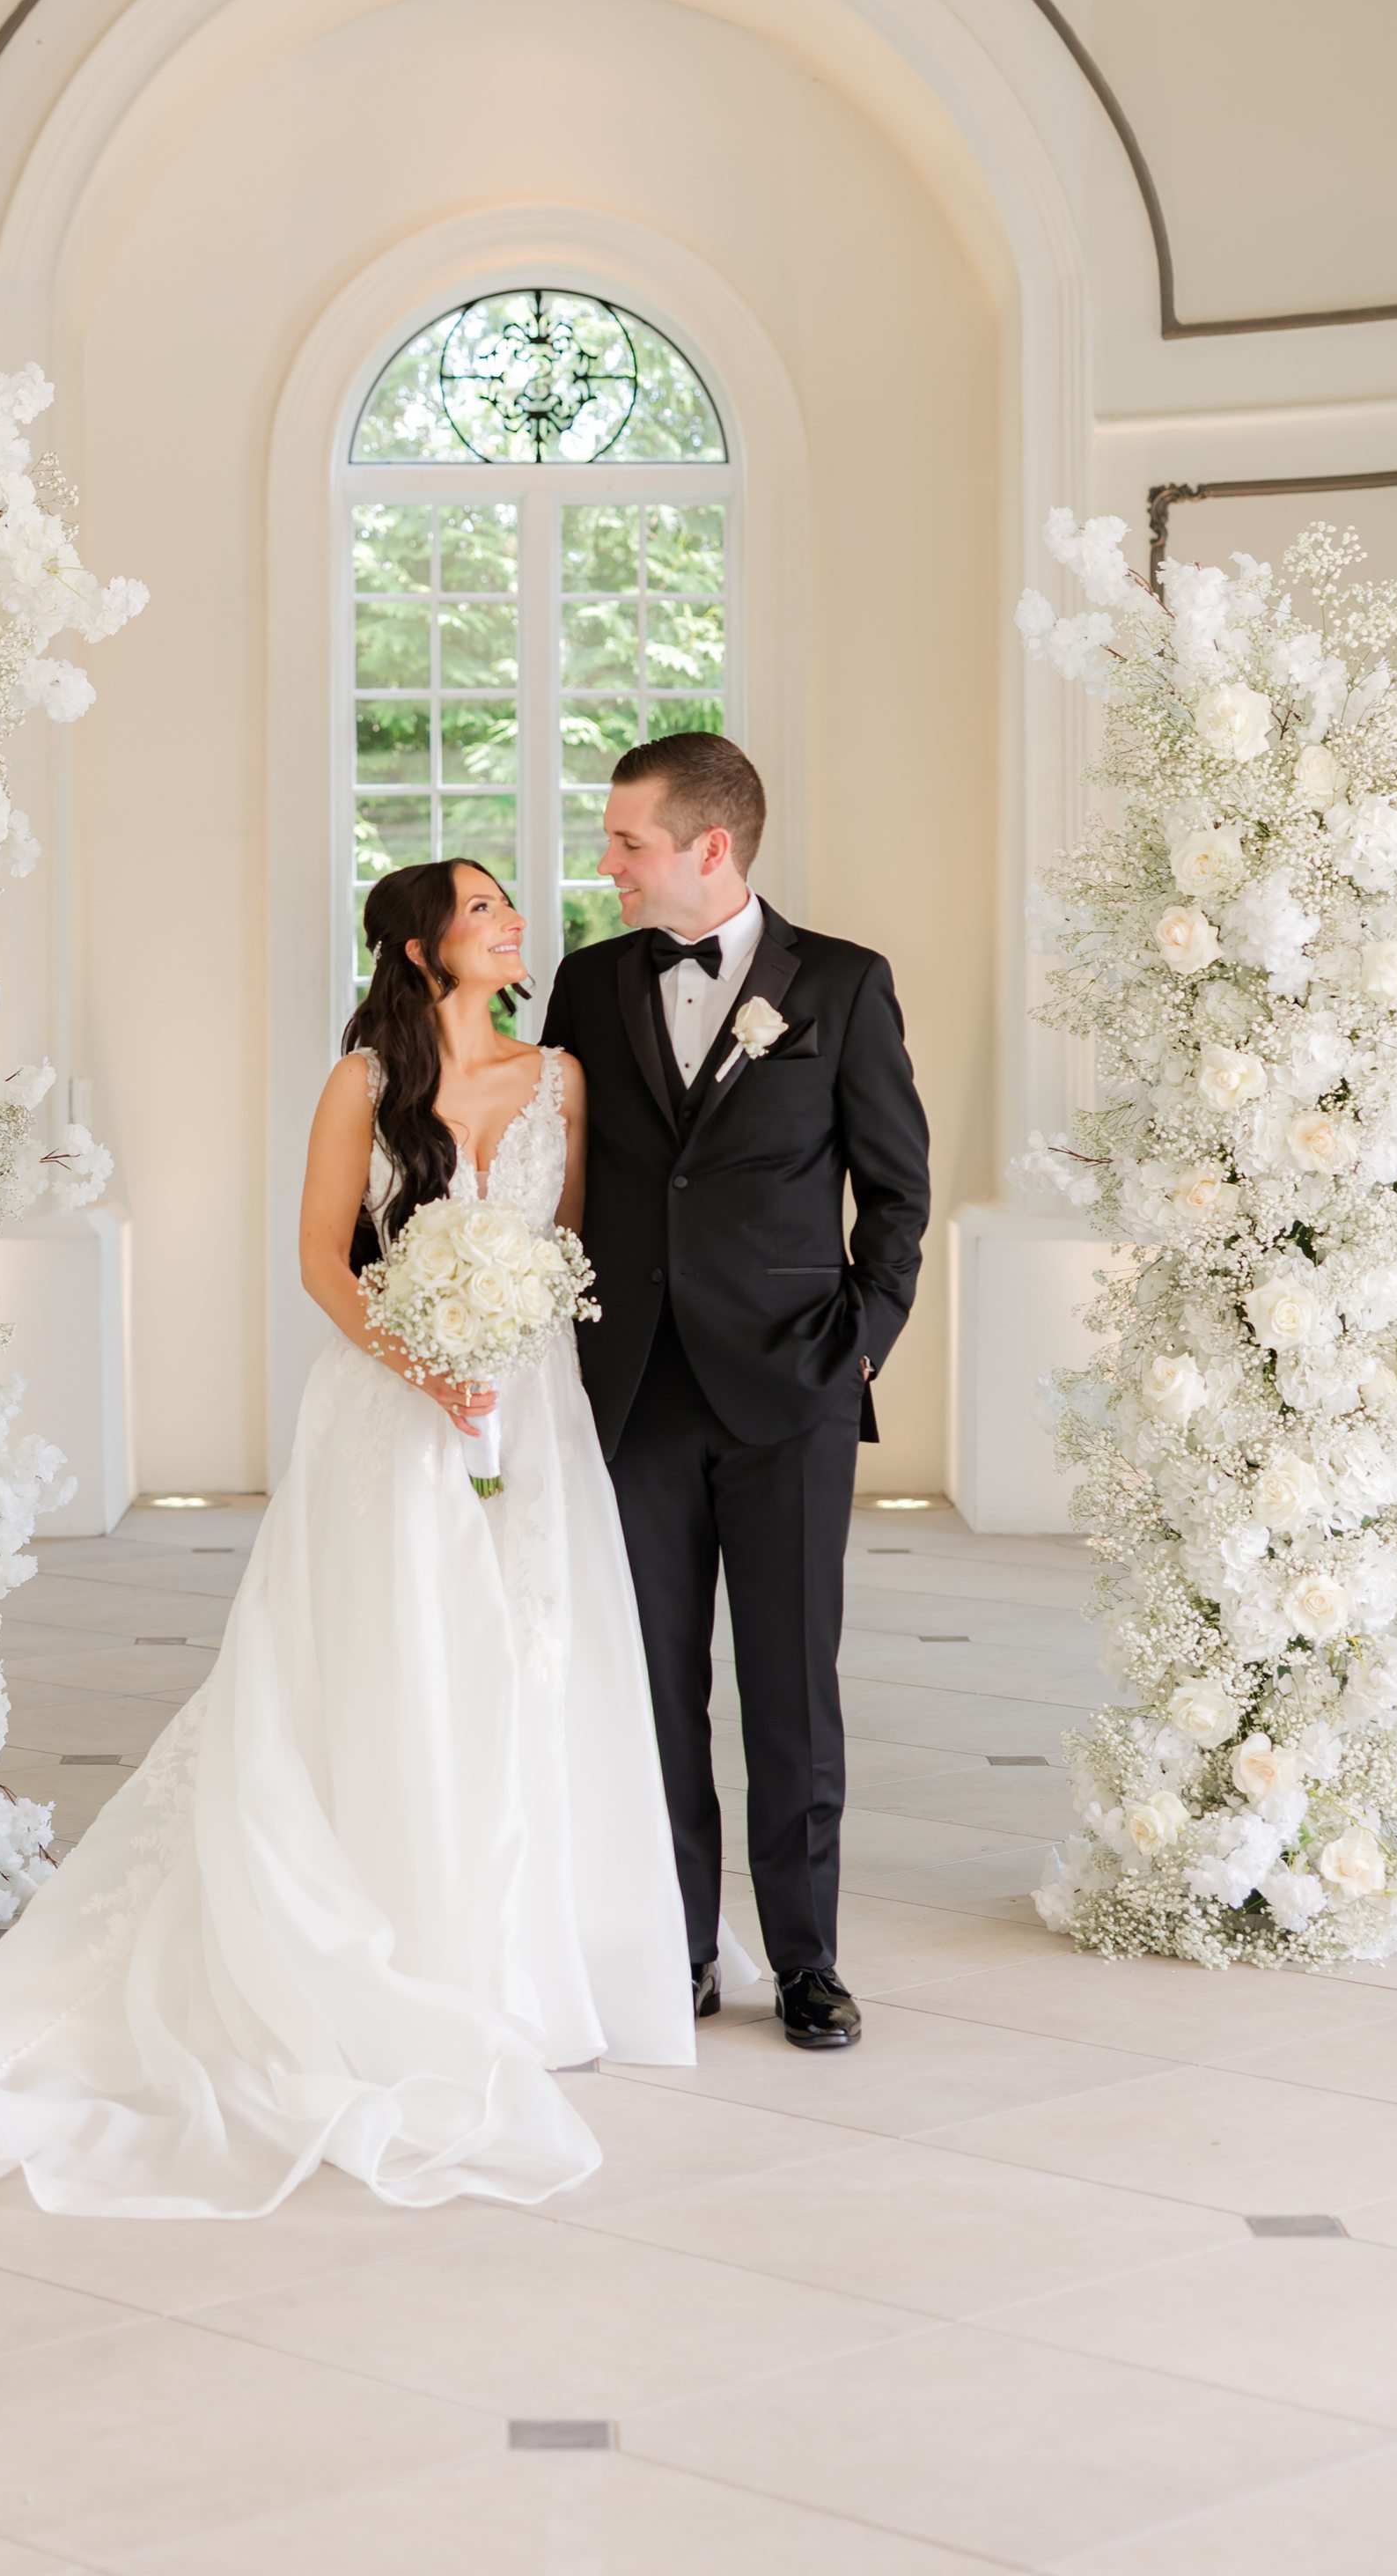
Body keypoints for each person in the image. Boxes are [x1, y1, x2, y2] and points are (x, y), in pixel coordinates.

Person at [0, 859, 696, 2216]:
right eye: (480, 908)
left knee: (529, 1654)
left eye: (509, 903)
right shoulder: (361, 1085)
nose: (512, 920)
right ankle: (390, 1946)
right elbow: (322, 1261)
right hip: (387, 1410)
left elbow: (560, 1248)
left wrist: (499, 1349)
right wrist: (421, 1358)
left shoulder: (560, 1080)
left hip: (529, 1407)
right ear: (415, 951)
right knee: (390, 1653)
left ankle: (524, 1962)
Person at [541, 733, 930, 2050]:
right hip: (635, 1388)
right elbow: (561, 1172)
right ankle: (678, 1946)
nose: (609, 866)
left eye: (627, 843)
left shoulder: (844, 984)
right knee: (652, 1684)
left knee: (789, 1685)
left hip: (791, 1392)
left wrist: (859, 1344)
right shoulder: (591, 985)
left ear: (711, 848)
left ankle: (809, 1959)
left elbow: (898, 1190)